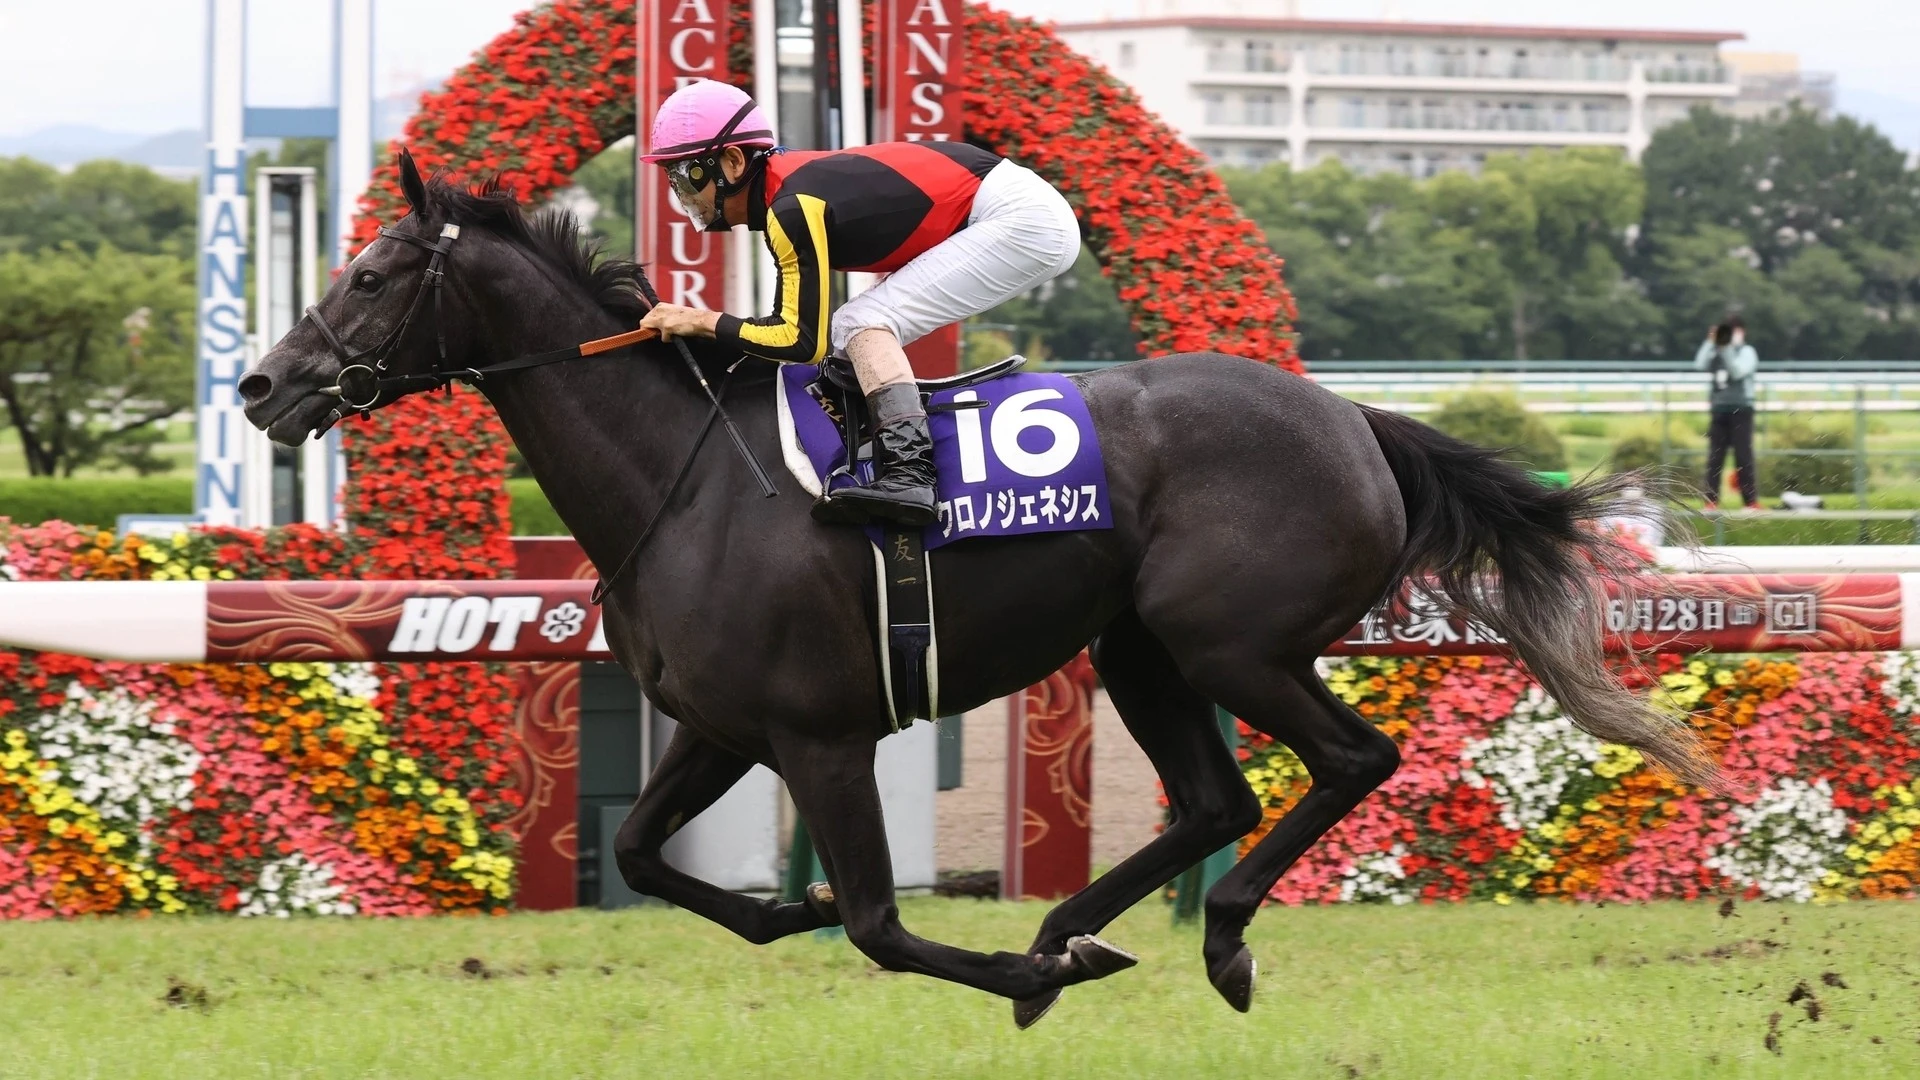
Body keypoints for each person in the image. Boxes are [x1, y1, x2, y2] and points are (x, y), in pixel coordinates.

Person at [635, 79, 1080, 527]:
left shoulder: (790, 207)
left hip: (1020, 218)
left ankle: (911, 472)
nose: (682, 194)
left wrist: (700, 320)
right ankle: (879, 448)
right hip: (1000, 208)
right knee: (854, 329)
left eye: (687, 174)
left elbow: (798, 339)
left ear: (732, 161)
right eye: (673, 177)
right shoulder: (784, 194)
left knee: (860, 321)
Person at [1694, 314, 1760, 511]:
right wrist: (1710, 343)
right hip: (1719, 409)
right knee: (1715, 457)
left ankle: (1750, 502)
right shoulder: (1717, 350)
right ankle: (1710, 500)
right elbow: (1699, 365)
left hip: (1741, 409)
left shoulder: (1747, 352)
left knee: (1743, 456)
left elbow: (1737, 371)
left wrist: (1727, 349)